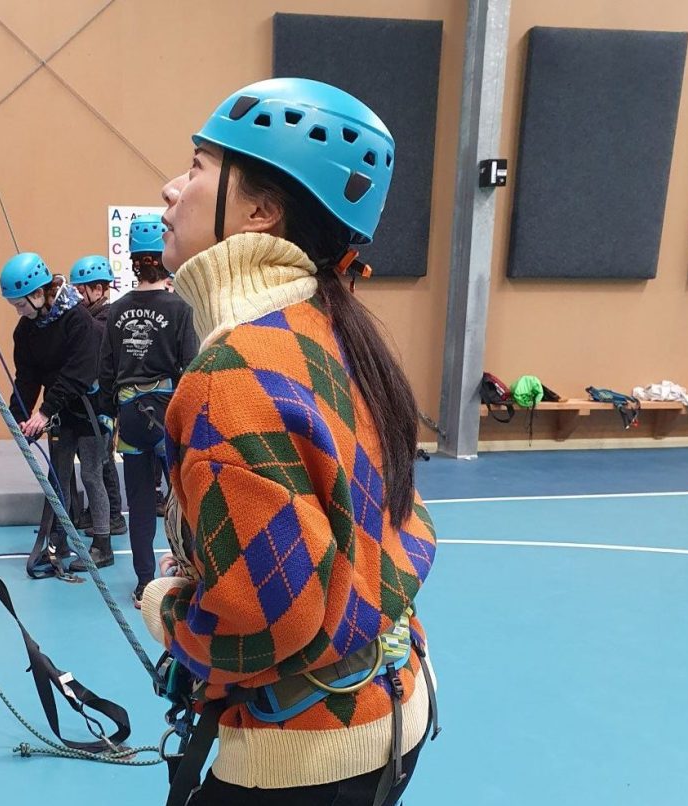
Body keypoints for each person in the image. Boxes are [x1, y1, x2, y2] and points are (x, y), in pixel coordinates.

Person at [141, 78, 439, 805]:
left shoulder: (231, 375)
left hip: (307, 756)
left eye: (199, 168)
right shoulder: (331, 329)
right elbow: (400, 527)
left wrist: (165, 609)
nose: (170, 189)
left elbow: (267, 622)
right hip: (394, 707)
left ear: (262, 212)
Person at [98, 215, 197, 606]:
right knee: (183, 500)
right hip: (168, 413)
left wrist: (108, 416)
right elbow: (189, 367)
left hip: (131, 418)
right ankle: (186, 575)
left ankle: (142, 586)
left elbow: (106, 370)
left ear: (133, 260)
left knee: (139, 504)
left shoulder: (117, 310)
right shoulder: (180, 309)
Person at [0, 253, 113, 572]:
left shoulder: (77, 319)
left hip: (91, 405)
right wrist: (19, 414)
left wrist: (45, 411)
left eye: (21, 303)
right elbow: (27, 376)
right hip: (60, 409)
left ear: (38, 294)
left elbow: (81, 370)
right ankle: (59, 539)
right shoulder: (26, 331)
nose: (19, 311)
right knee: (59, 475)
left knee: (91, 473)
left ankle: (102, 544)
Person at [69, 255, 128, 539]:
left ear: (99, 289)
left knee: (102, 460)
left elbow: (95, 336)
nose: (79, 297)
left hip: (105, 398)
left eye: (82, 291)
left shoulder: (109, 315)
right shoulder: (92, 314)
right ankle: (99, 511)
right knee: (92, 459)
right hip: (89, 397)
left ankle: (113, 516)